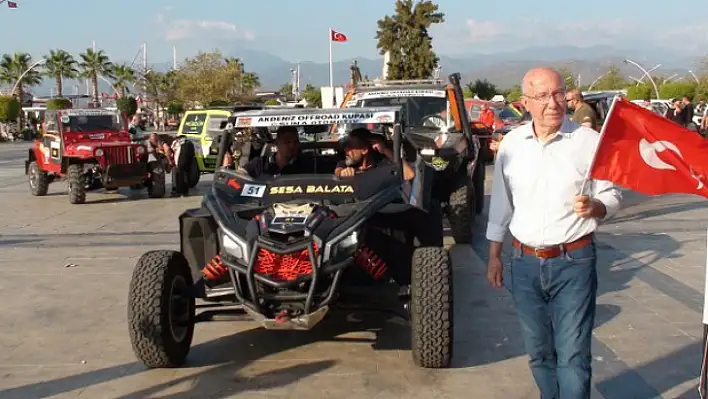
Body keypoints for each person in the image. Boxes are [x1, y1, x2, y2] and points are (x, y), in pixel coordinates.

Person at [486, 67, 622, 399]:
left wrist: (596, 206)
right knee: (539, 353)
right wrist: (494, 256)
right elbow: (501, 203)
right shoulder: (512, 145)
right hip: (523, 263)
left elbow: (613, 194)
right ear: (524, 103)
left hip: (574, 261)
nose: (554, 103)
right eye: (543, 96)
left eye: (559, 93)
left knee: (573, 355)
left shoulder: (589, 142)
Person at [227, 125, 311, 177]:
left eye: (295, 142)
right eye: (287, 142)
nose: (292, 145)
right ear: (277, 143)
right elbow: (239, 176)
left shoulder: (308, 164)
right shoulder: (260, 164)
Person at [334, 128, 415, 181]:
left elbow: (409, 175)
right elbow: (338, 171)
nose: (346, 150)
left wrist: (385, 151)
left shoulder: (383, 164)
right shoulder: (345, 163)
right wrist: (342, 173)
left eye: (350, 147)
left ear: (364, 150)